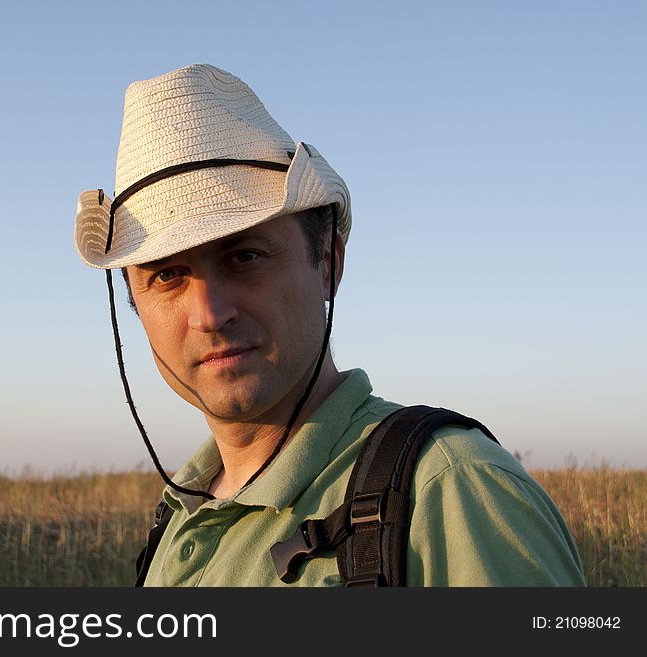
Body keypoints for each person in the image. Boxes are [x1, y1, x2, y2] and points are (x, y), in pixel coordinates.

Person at [74, 63, 586, 587]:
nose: (209, 313)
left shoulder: (451, 493)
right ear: (133, 304)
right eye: (167, 275)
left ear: (327, 262)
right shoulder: (180, 514)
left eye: (244, 256)